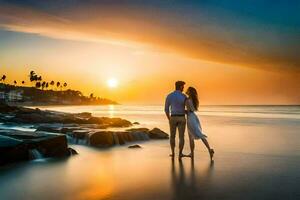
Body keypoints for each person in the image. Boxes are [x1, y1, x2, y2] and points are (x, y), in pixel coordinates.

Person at [185, 87, 215, 161]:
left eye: (188, 90)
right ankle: (206, 150)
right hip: (194, 117)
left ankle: (208, 150)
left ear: (190, 92)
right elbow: (192, 109)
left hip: (190, 118)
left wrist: (179, 111)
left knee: (193, 136)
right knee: (197, 135)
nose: (186, 91)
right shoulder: (194, 100)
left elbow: (188, 111)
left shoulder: (188, 100)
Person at [165, 81, 187, 158]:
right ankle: (180, 153)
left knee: (172, 136)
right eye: (183, 87)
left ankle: (173, 153)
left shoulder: (169, 96)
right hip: (181, 117)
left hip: (173, 117)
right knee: (181, 137)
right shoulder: (184, 96)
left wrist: (169, 119)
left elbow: (166, 109)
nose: (183, 88)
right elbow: (188, 108)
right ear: (180, 87)